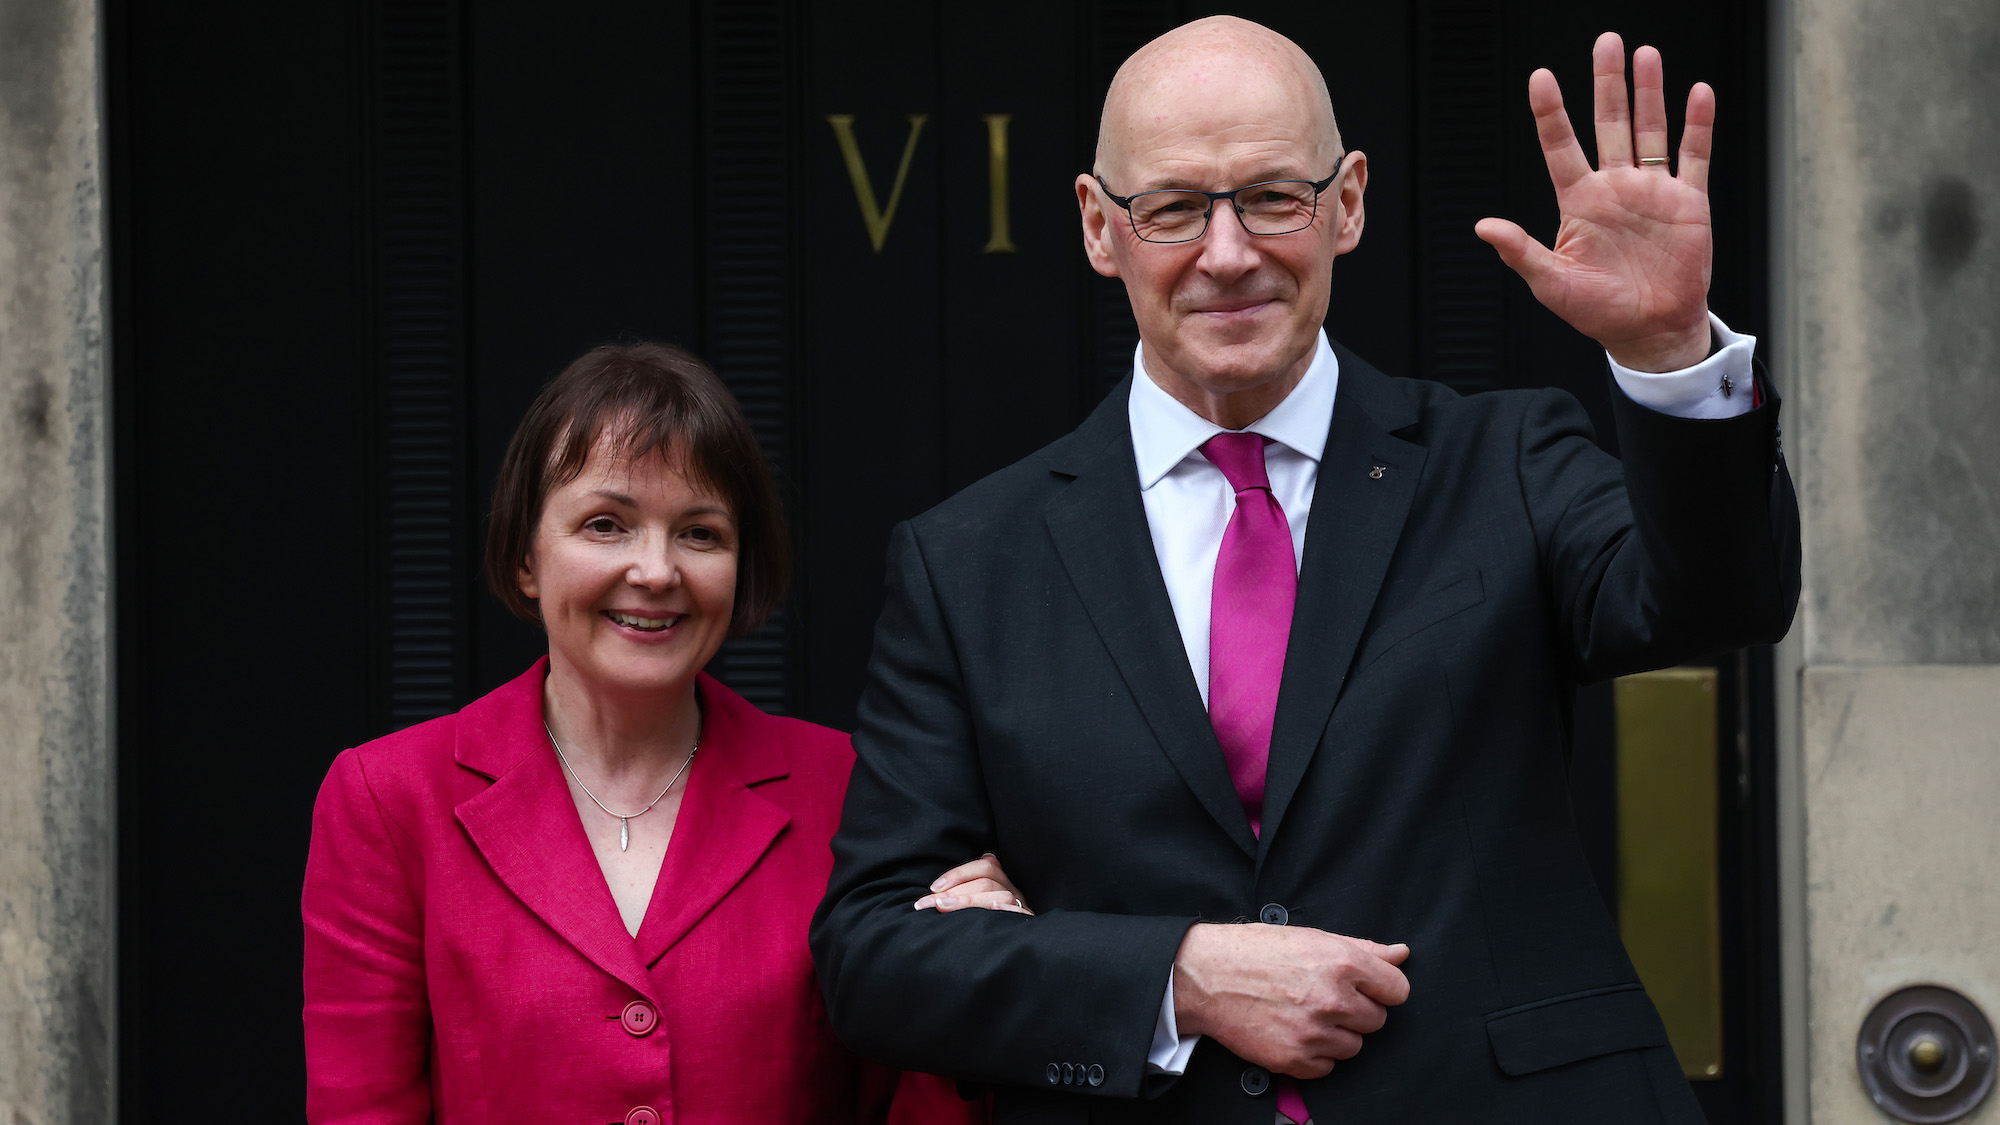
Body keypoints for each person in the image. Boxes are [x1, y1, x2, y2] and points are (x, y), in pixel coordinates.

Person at [812, 16, 1798, 1125]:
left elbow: (1721, 599)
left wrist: (1667, 356)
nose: (1228, 254)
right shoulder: (967, 563)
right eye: (1175, 208)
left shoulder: (1502, 462)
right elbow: (874, 956)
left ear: (1348, 203)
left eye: (1274, 197)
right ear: (1100, 227)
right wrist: (1175, 978)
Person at [302, 343, 991, 1124]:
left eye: (700, 533)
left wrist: (972, 977)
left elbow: (911, 1095)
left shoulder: (849, 787)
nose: (657, 570)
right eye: (606, 524)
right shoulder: (390, 798)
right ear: (527, 557)